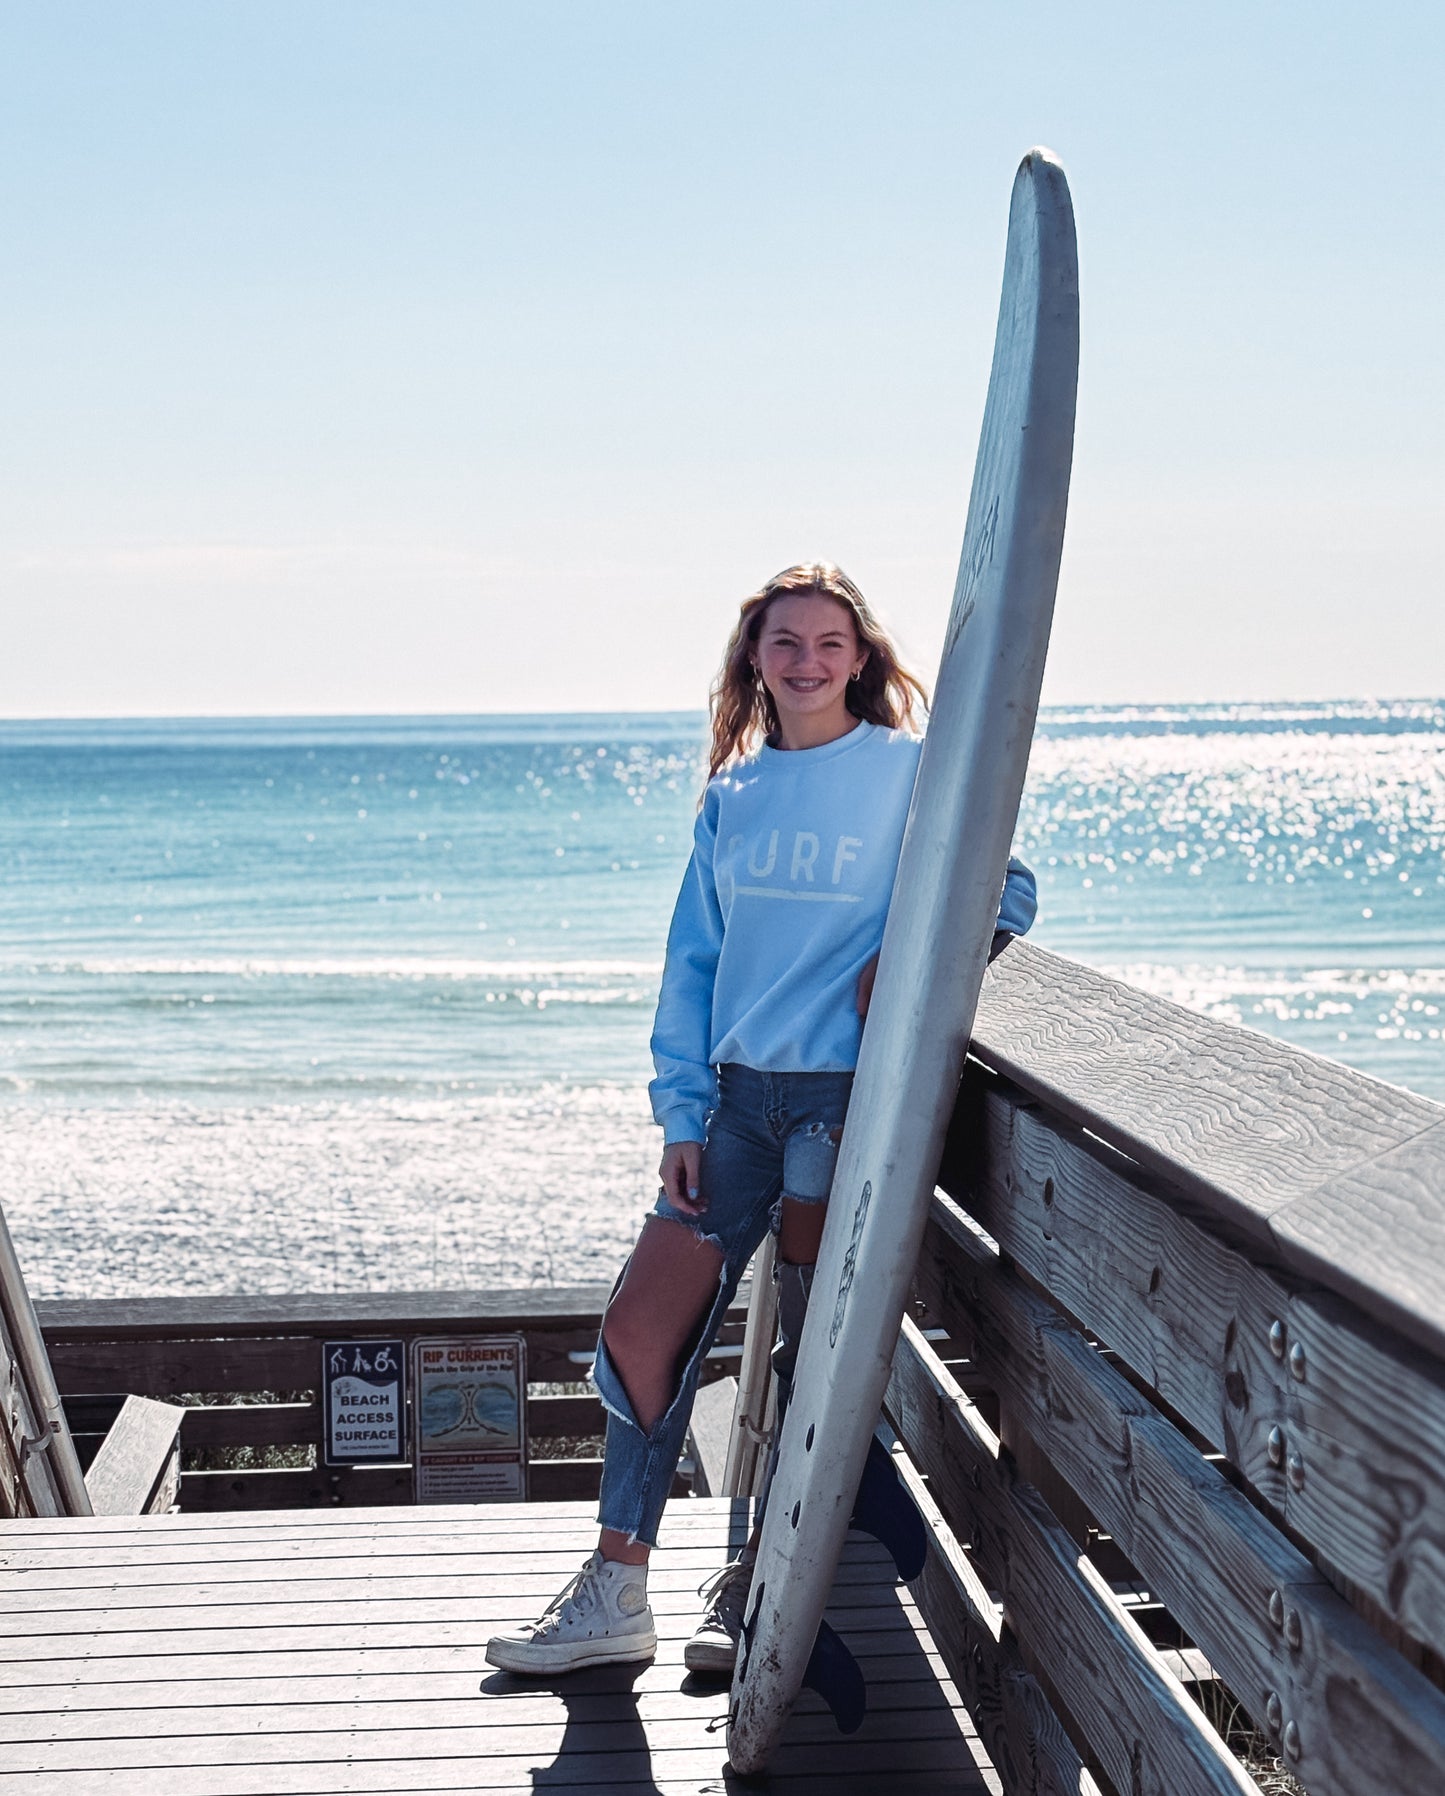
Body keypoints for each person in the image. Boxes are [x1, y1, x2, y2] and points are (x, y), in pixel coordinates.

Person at [485, 563, 1036, 1676]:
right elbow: (690, 965)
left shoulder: (909, 773)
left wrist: (915, 963)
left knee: (805, 1355)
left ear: (860, 657)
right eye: (784, 642)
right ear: (754, 658)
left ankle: (759, 1589)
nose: (806, 660)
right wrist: (678, 1111)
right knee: (644, 1329)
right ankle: (614, 1591)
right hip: (734, 1105)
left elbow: (1007, 888)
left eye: (828, 642)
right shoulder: (730, 795)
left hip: (843, 1106)